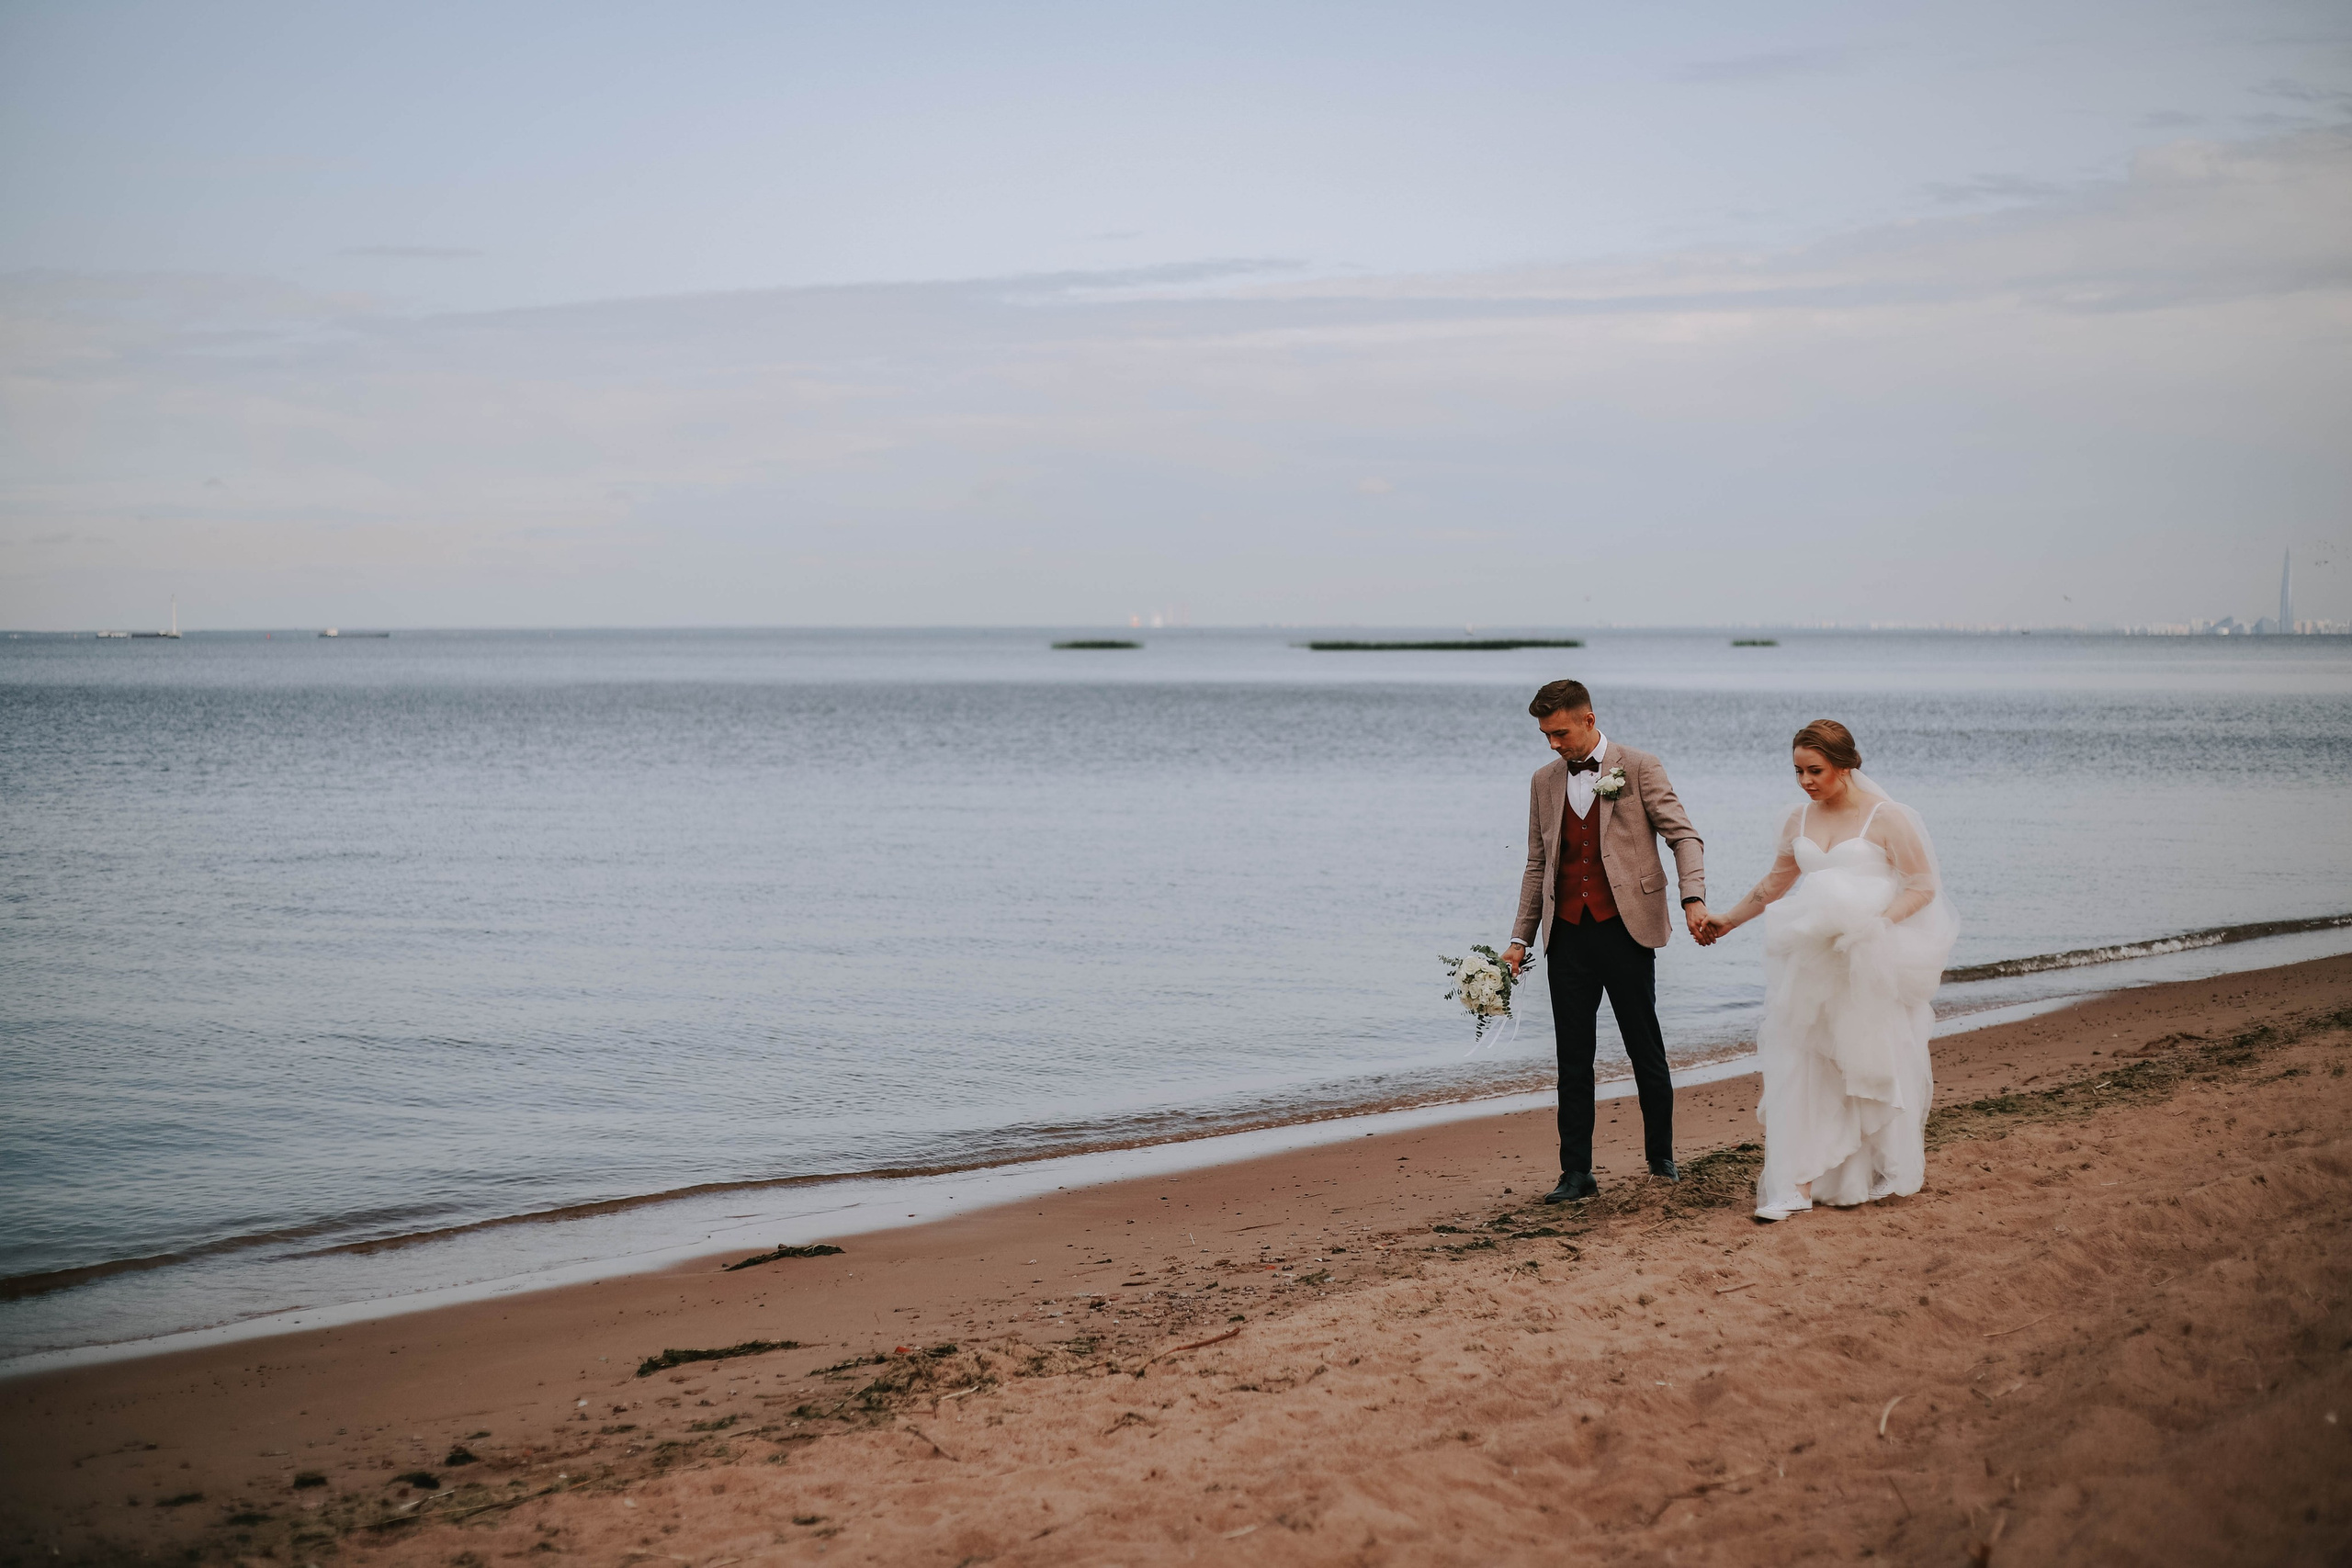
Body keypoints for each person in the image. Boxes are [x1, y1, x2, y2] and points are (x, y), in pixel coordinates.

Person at [1701, 720, 1958, 1222]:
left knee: (1867, 1062)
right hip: (1810, 962)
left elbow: (1923, 885)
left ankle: (1869, 1170)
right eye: (1797, 770)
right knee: (1802, 1065)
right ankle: (1796, 1185)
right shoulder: (1797, 819)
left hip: (1866, 958)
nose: (1804, 781)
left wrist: (1876, 926)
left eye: (1814, 770)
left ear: (1844, 766)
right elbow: (1774, 885)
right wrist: (1727, 920)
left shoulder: (1886, 818)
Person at [1503, 680, 1711, 1203]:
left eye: (1561, 733)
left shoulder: (1638, 766)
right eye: (1545, 735)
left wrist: (1693, 900)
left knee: (1645, 1048)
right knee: (1572, 1058)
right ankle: (1576, 1173)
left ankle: (1661, 1160)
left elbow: (1683, 835)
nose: (1553, 744)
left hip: (1626, 929)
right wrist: (1518, 940)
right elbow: (1537, 862)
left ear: (1589, 719)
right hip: (1566, 936)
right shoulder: (1543, 781)